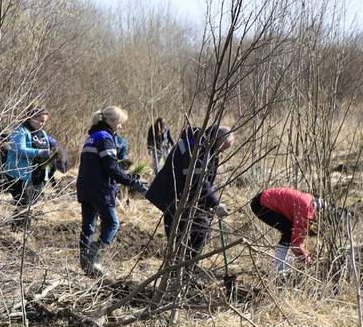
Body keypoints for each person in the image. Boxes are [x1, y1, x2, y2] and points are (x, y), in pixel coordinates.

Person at [145, 125, 234, 264]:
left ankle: (186, 271)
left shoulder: (207, 148)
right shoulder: (195, 147)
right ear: (218, 138)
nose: (223, 151)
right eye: (224, 147)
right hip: (172, 195)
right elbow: (197, 179)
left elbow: (204, 181)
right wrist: (215, 203)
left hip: (182, 196)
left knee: (197, 231)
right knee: (190, 233)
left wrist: (207, 205)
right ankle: (180, 273)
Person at [76, 107, 148, 276]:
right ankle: (94, 261)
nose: (120, 127)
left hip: (85, 187)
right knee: (112, 224)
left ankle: (85, 264)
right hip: (100, 189)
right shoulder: (106, 138)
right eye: (119, 123)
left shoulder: (92, 137)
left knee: (88, 226)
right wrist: (132, 182)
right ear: (109, 121)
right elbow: (111, 169)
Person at [0, 108, 52, 224]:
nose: (42, 124)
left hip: (38, 176)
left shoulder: (42, 133)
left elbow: (47, 149)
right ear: (32, 118)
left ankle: (19, 231)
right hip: (21, 175)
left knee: (29, 207)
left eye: (44, 122)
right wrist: (39, 153)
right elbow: (19, 150)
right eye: (41, 121)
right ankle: (20, 233)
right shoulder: (20, 130)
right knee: (24, 206)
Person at [250, 187, 320, 272]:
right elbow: (296, 244)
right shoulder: (306, 213)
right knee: (289, 232)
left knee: (290, 232)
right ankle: (280, 271)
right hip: (262, 204)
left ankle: (286, 270)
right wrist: (308, 263)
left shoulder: (311, 203)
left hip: (265, 198)